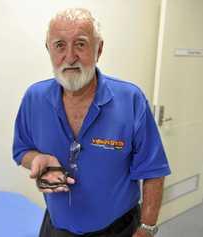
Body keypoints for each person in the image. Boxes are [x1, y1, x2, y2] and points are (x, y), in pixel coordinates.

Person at [12, 8, 171, 237]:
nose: (69, 57)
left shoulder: (131, 100)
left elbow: (154, 171)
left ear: (99, 49)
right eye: (59, 45)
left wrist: (146, 229)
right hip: (56, 228)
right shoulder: (34, 99)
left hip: (119, 229)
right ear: (49, 50)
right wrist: (37, 159)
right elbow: (21, 149)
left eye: (81, 44)